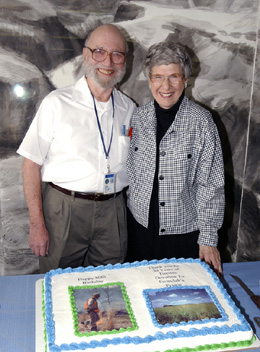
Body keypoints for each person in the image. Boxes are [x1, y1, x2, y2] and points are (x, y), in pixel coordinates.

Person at [17, 24, 136, 273]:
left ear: (125, 60)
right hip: (64, 210)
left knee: (109, 284)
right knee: (57, 282)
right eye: (99, 51)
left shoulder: (130, 109)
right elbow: (30, 164)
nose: (108, 61)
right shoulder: (56, 104)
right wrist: (37, 224)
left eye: (117, 54)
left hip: (113, 209)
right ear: (85, 55)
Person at [126, 41, 225, 276]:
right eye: (158, 77)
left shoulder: (202, 122)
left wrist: (208, 239)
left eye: (174, 76)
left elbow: (211, 185)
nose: (165, 86)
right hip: (139, 231)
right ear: (149, 80)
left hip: (182, 237)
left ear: (185, 80)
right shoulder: (138, 118)